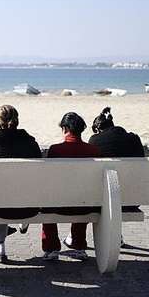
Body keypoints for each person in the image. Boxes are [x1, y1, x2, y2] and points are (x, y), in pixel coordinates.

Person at [0, 105, 42, 263]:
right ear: (17, 120)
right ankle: (24, 222)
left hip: (0, 209)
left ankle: (0, 246)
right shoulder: (31, 143)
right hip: (30, 206)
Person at [41, 112, 100, 262]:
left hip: (57, 205)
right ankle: (79, 245)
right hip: (85, 205)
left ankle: (51, 247)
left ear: (65, 128)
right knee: (83, 195)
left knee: (48, 197)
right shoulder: (93, 151)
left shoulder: (55, 150)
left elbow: (49, 180)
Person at [87, 107, 145, 247]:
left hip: (101, 200)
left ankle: (77, 239)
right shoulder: (134, 139)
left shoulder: (95, 141)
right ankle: (116, 236)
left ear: (98, 129)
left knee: (103, 192)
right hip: (132, 199)